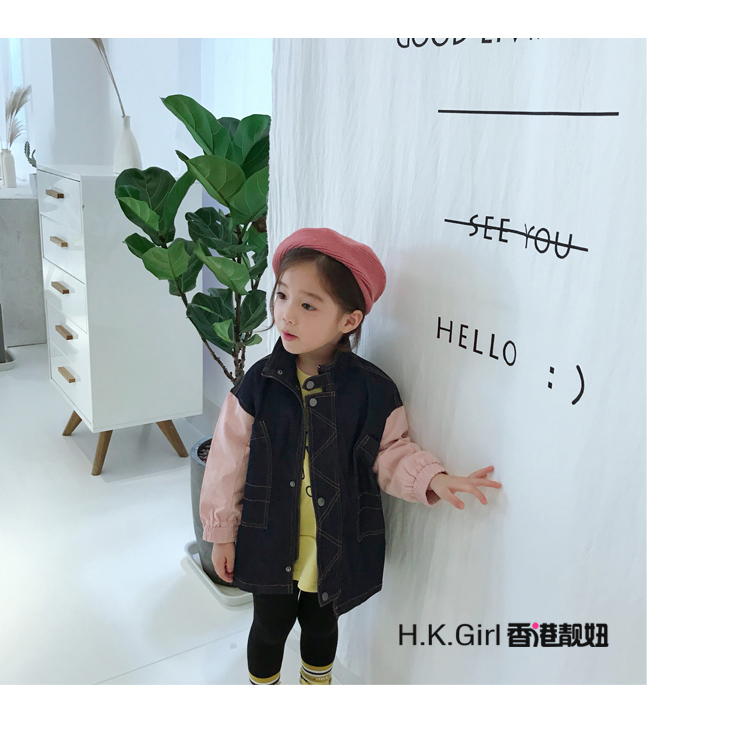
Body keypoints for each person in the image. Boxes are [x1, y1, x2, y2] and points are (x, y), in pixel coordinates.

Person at [199, 227, 502, 685]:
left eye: (308, 305)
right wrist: (222, 533)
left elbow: (390, 451)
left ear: (348, 320)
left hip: (335, 540)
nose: (287, 315)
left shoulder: (371, 390)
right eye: (282, 296)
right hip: (269, 534)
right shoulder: (258, 384)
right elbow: (227, 461)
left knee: (321, 626)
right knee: (269, 626)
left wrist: (433, 479)